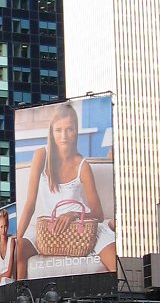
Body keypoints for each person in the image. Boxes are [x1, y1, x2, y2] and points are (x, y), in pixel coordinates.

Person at [16, 101, 116, 279]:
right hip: (49, 225)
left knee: (115, 261)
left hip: (80, 225)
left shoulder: (82, 165)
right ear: (52, 131)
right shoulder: (41, 155)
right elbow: (29, 204)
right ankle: (22, 302)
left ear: (76, 131)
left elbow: (98, 214)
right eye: (58, 130)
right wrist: (18, 237)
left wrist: (73, 214)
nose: (64, 136)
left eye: (69, 129)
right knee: (18, 252)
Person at [0, 208, 16, 285]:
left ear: (8, 226)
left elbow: (9, 273)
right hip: (2, 286)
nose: (3, 230)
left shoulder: (11, 242)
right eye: (1, 227)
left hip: (11, 283)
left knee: (4, 280)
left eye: (5, 226)